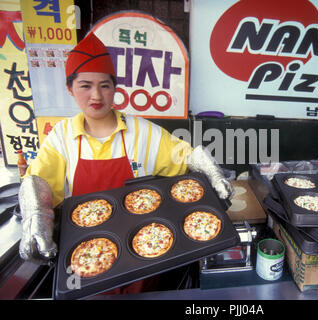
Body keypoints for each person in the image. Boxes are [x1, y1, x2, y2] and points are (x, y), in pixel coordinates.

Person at [18, 32, 234, 272]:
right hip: (87, 255)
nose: (97, 96)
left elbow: (186, 156)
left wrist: (213, 172)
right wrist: (36, 213)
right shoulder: (61, 136)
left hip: (146, 247)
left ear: (115, 88)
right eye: (85, 86)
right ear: (70, 88)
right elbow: (38, 181)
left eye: (105, 86)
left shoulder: (142, 131)